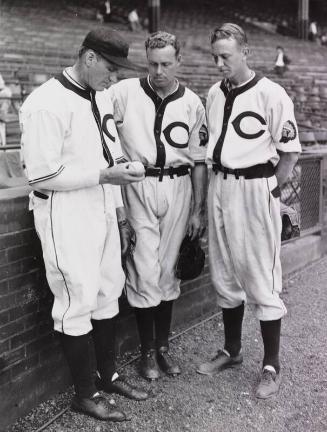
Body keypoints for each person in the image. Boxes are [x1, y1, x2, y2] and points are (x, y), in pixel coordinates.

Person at [19, 27, 149, 422]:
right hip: (63, 211)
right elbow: (41, 175)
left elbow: (105, 160)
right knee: (76, 300)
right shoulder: (45, 102)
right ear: (88, 57)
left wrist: (118, 209)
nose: (115, 77)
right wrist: (104, 177)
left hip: (100, 204)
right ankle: (84, 394)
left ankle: (106, 375)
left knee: (109, 292)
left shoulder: (100, 95)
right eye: (110, 68)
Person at [197, 23, 301, 399]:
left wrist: (271, 190)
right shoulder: (213, 92)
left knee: (261, 277)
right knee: (224, 273)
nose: (219, 63)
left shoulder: (271, 93)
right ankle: (232, 350)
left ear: (246, 53)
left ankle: (271, 364)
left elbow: (289, 151)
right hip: (220, 184)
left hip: (255, 186)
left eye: (225, 56)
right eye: (215, 56)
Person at [108, 31, 208, 380]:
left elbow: (198, 160)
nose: (159, 70)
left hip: (178, 184)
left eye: (166, 63)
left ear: (178, 61)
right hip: (138, 182)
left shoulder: (193, 102)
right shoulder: (122, 93)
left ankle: (163, 347)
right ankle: (147, 351)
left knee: (167, 269)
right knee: (142, 268)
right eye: (153, 63)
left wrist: (198, 208)